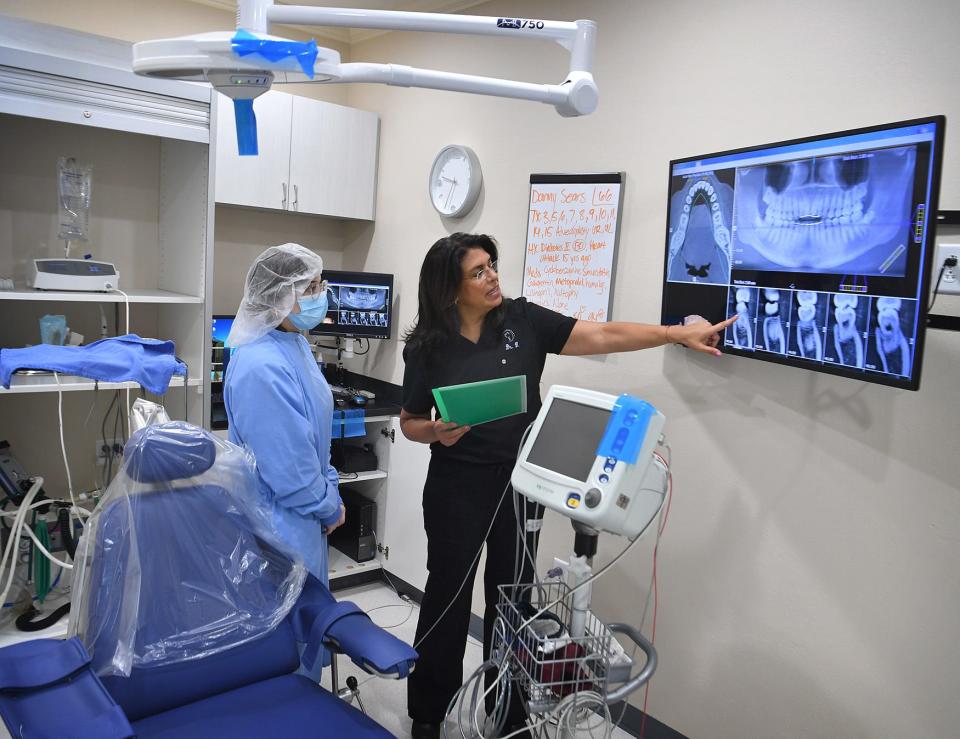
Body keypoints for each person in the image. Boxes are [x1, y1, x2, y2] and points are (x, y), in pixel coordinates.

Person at [400, 233, 735, 738]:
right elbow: (410, 421)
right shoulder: (426, 346)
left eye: (493, 265)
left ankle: (507, 712)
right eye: (478, 272)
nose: (493, 277)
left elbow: (601, 335)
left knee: (512, 600)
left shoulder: (523, 320)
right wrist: (436, 433)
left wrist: (671, 334)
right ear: (450, 288)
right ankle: (427, 714)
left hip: (518, 486)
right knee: (447, 596)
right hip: (455, 485)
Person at [224, 243, 345, 584]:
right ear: (277, 295)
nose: (320, 295)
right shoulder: (260, 366)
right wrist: (329, 506)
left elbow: (318, 438)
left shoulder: (297, 344)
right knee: (290, 626)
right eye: (310, 288)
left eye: (320, 285)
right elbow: (289, 471)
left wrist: (330, 489)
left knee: (310, 621)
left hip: (307, 516)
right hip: (279, 526)